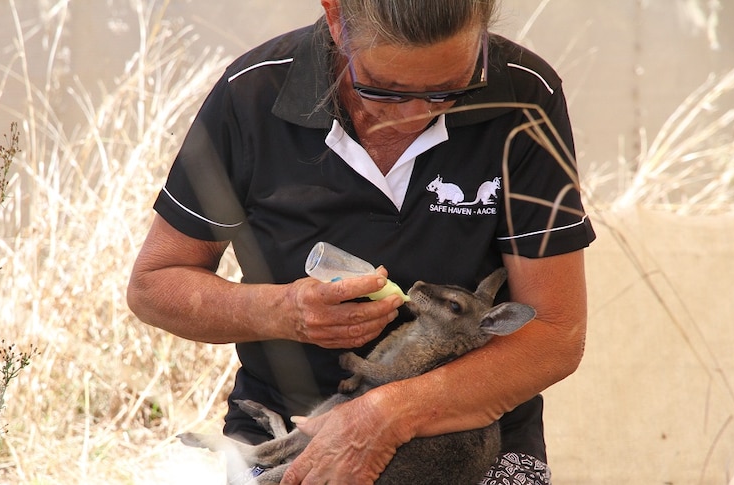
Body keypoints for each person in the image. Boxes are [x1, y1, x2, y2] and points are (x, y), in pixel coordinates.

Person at [127, 0, 595, 483]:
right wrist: (282, 311)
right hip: (288, 429)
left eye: (449, 90)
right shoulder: (254, 94)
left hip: (472, 441)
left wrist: (386, 417)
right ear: (335, 18)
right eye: (384, 90)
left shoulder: (522, 95)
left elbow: (556, 334)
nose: (414, 116)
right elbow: (155, 284)